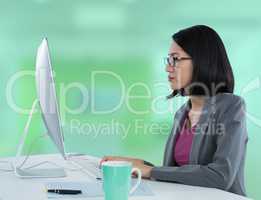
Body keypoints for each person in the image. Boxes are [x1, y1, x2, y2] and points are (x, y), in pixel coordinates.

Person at [100, 25, 248, 196]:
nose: (168, 68)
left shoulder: (231, 106)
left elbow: (220, 176)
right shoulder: (182, 113)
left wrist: (150, 171)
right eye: (168, 60)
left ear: (201, 60)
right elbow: (175, 173)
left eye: (175, 59)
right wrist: (135, 165)